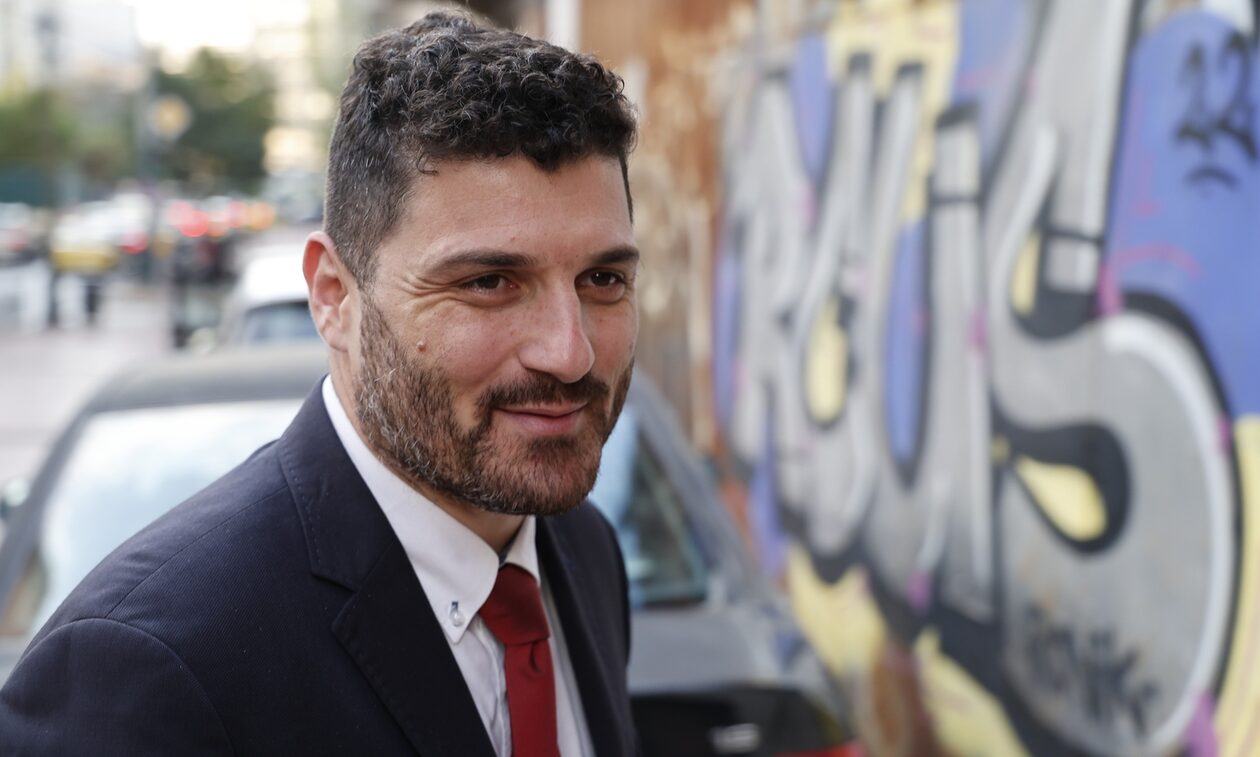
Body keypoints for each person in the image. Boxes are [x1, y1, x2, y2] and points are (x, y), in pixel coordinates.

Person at [0, 11, 640, 756]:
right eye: (489, 282)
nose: (570, 353)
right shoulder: (142, 670)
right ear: (334, 295)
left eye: (603, 278)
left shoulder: (580, 549)